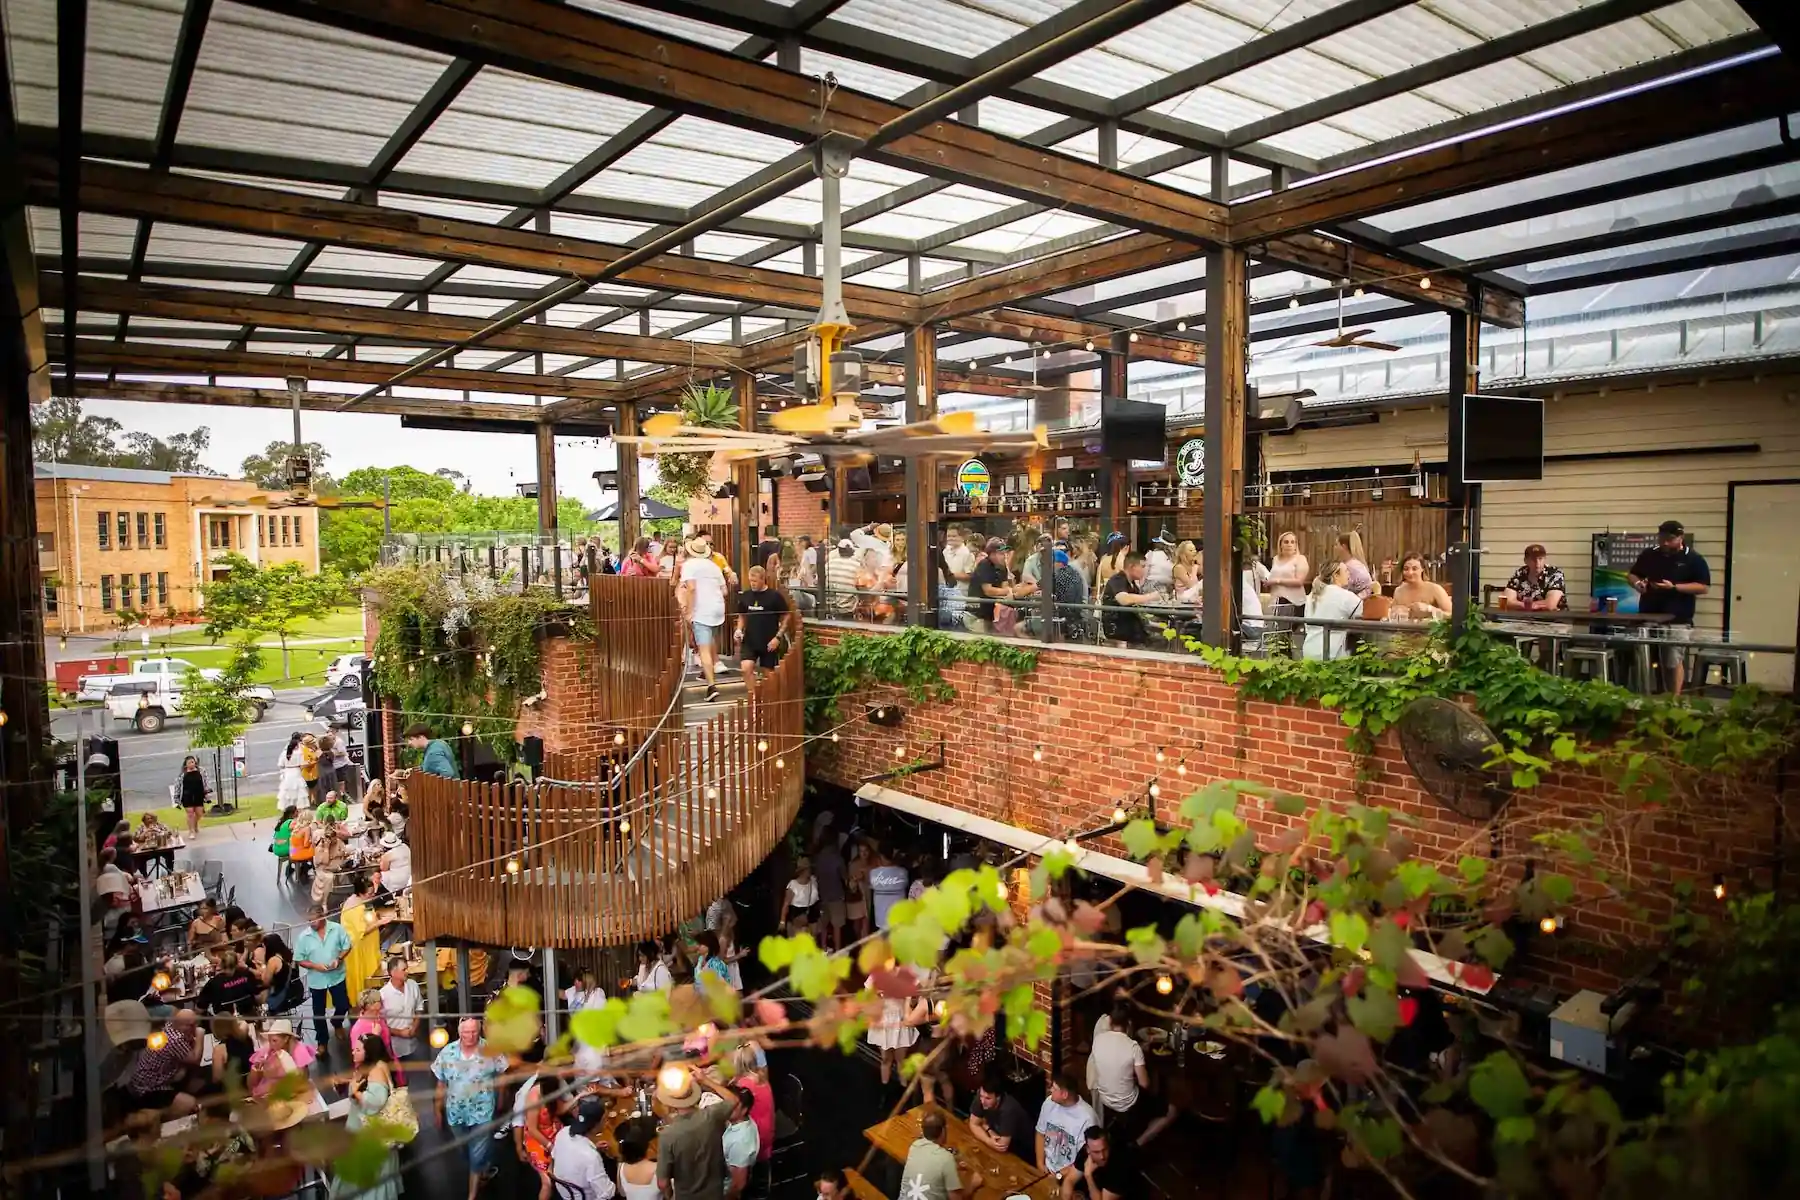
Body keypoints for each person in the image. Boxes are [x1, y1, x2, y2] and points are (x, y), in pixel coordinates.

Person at [1629, 519, 1712, 694]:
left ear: (1681, 537)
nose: (1665, 543)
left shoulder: (1693, 559)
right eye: (1662, 539)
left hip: (1678, 618)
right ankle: (1646, 695)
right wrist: (1638, 584)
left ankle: (1674, 699)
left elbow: (1703, 587)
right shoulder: (1649, 554)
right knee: (1645, 658)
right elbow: (1633, 574)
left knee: (1673, 660)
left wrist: (1674, 587)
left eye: (1670, 539)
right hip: (1649, 615)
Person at [434, 1016, 511, 1200]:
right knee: (465, 1150)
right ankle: (483, 1167)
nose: (470, 1036)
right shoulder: (447, 1052)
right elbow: (441, 1083)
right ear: (459, 1032)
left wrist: (501, 1098)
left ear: (480, 1031)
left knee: (476, 1154)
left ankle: (472, 1194)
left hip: (483, 1112)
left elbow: (503, 1075)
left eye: (474, 1032)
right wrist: (437, 1109)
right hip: (455, 1112)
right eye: (466, 1032)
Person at [1087, 1001, 1174, 1148]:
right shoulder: (1133, 1047)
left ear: (1110, 1021)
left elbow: (1112, 1058)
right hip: (1128, 1104)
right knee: (1171, 1109)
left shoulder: (1098, 1040)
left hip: (1105, 1099)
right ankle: (1138, 1143)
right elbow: (1144, 1083)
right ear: (1129, 1024)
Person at [332, 1032, 402, 1200]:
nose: (353, 1052)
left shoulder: (376, 1072)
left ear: (368, 1052)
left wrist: (356, 1092)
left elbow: (376, 1102)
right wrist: (348, 1083)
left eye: (357, 1050)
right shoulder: (372, 1066)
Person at [656, 1066, 734, 1200]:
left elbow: (663, 1183)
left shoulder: (668, 1135)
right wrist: (706, 1080)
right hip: (715, 1193)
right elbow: (733, 1100)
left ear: (671, 1103)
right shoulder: (712, 1116)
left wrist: (669, 1196)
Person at [678, 536, 730, 702]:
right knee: (709, 641)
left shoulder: (689, 566)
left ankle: (711, 686)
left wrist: (689, 611)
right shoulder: (713, 566)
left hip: (702, 610)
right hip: (717, 608)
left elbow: (691, 588)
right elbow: (725, 591)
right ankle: (705, 672)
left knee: (704, 650)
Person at [295, 902, 354, 1047]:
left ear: (323, 916)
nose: (311, 923)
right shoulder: (304, 937)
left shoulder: (337, 929)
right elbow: (299, 959)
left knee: (343, 1005)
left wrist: (339, 959)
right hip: (317, 980)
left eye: (314, 920)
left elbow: (347, 946)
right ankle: (322, 1042)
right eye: (309, 920)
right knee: (318, 1013)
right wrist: (315, 966)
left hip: (337, 976)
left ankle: (337, 1022)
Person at [125, 1009, 202, 1117]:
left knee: (191, 1075)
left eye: (195, 1024)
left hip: (155, 1078)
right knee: (191, 1104)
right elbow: (195, 1059)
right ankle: (160, 1115)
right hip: (148, 1088)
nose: (195, 1028)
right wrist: (200, 1036)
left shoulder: (171, 1026)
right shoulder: (175, 1039)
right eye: (191, 1025)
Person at [735, 565, 792, 690]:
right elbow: (742, 616)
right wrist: (739, 630)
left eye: (755, 581)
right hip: (750, 640)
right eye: (751, 581)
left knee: (769, 675)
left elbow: (786, 616)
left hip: (769, 641)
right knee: (746, 668)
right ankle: (754, 696)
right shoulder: (746, 595)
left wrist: (778, 637)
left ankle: (768, 698)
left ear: (763, 579)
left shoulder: (774, 596)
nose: (752, 584)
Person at [1037, 1074, 1098, 1192]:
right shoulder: (1049, 1103)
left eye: (1054, 1088)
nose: (1050, 1090)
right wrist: (1040, 1164)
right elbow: (1040, 1133)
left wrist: (1058, 1176)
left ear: (1064, 1094)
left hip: (1070, 1180)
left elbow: (1084, 1160)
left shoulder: (1088, 1119)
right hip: (1045, 1172)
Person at [550, 1094, 618, 1200]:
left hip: (564, 1193)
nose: (606, 1122)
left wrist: (594, 1147)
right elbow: (607, 1193)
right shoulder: (591, 1157)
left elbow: (558, 1156)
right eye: (604, 1120)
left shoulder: (563, 1132)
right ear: (595, 1125)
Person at [866, 963, 923, 1085]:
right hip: (883, 1020)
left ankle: (904, 1088)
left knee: (901, 1060)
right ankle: (884, 1086)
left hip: (900, 1020)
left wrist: (909, 997)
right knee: (885, 1059)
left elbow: (918, 991)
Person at [1303, 561, 1364, 661]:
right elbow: (1366, 616)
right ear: (1336, 575)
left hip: (1309, 651)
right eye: (1346, 571)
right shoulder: (1346, 596)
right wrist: (1377, 592)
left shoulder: (1311, 596)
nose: (1349, 573)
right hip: (1332, 654)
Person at [970, 1070, 1035, 1162]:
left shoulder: (1008, 1110)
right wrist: (988, 1136)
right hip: (1000, 1135)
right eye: (981, 1096)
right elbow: (973, 1124)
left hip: (1023, 1147)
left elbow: (1001, 1146)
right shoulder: (982, 1097)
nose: (982, 1101)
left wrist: (984, 1126)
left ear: (998, 1097)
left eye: (988, 1098)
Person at [901, 1108, 965, 1200]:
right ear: (943, 1131)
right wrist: (974, 1183)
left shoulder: (915, 1146)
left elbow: (929, 1164)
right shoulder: (946, 1158)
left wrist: (951, 1165)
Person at [350, 988, 405, 1083]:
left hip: (390, 1062)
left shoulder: (379, 1018)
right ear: (369, 1007)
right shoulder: (358, 1029)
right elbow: (359, 1057)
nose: (382, 1002)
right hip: (374, 1072)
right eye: (379, 1001)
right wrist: (375, 1036)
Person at [1074, 1125, 1142, 1200]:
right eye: (1096, 1152)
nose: (1102, 1156)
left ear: (1109, 1146)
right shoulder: (1085, 1153)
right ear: (1088, 1149)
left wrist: (1088, 1176)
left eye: (1104, 1150)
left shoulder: (1120, 1167)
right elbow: (1069, 1180)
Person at [1101, 553, 1155, 646]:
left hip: (1132, 630)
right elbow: (1123, 599)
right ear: (1131, 567)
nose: (1144, 570)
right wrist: (1150, 596)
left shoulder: (1133, 585)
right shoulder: (1118, 580)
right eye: (1142, 566)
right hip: (1119, 630)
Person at [967, 536, 1014, 634]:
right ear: (992, 554)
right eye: (1001, 553)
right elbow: (988, 590)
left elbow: (1004, 587)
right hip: (976, 614)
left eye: (1005, 553)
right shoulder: (984, 565)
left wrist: (1010, 590)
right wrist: (1010, 591)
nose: (1004, 556)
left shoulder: (1002, 567)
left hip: (990, 613)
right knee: (981, 640)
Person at [721, 1084, 761, 1200]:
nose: (727, 1108)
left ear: (744, 1110)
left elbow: (738, 1184)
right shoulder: (740, 1120)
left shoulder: (741, 1142)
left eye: (733, 1106)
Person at [1501, 543, 1567, 611]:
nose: (1537, 563)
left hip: (1552, 617)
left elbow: (1550, 605)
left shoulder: (1555, 573)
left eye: (1540, 559)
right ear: (1526, 561)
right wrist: (1528, 606)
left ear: (1545, 559)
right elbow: (1507, 601)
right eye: (1533, 559)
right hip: (1524, 616)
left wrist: (1520, 604)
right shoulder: (1520, 573)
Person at [380, 957, 423, 1058]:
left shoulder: (413, 985)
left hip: (414, 1045)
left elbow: (419, 1007)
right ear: (393, 972)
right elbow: (380, 1025)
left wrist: (414, 1027)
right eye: (404, 969)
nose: (407, 972)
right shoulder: (383, 995)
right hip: (394, 1050)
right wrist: (399, 1033)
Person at [1389, 552, 1452, 621]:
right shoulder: (1399, 591)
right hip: (1405, 627)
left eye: (1414, 569)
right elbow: (1392, 616)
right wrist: (1396, 611)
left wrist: (1430, 610)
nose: (1410, 572)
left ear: (1422, 569)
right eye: (1406, 569)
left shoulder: (1435, 589)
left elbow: (1452, 615)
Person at [197, 950, 260, 1016]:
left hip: (225, 1020)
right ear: (237, 963)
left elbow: (200, 1009)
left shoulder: (213, 983)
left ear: (221, 965)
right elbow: (258, 999)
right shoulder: (248, 975)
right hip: (250, 1017)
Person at [812, 834, 847, 951]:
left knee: (823, 925)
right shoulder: (837, 858)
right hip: (836, 896)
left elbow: (815, 876)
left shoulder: (817, 858)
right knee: (837, 926)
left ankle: (824, 949)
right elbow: (845, 876)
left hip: (822, 896)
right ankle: (837, 950)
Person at [1266, 531, 1309, 610]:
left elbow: (1299, 581)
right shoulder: (1275, 559)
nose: (1289, 544)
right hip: (1276, 601)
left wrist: (1277, 581)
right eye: (1286, 542)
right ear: (1280, 544)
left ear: (1296, 545)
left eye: (1292, 542)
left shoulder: (1300, 559)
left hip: (1294, 602)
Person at [868, 849, 909, 931]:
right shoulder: (903, 872)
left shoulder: (873, 873)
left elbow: (871, 886)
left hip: (881, 918)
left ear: (881, 856)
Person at [823, 537, 863, 618]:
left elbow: (818, 582)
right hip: (847, 609)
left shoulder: (829, 564)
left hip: (828, 607)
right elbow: (862, 586)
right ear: (852, 551)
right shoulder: (857, 566)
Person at [618, 1130, 661, 1200]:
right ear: (647, 1147)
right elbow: (669, 1194)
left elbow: (622, 1193)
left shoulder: (621, 1167)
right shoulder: (658, 1168)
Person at [781, 858, 819, 935]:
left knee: (812, 937)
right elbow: (786, 904)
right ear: (803, 871)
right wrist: (782, 921)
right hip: (797, 915)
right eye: (808, 869)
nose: (810, 871)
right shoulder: (793, 885)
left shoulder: (813, 880)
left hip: (812, 913)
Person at [176, 754, 210, 837]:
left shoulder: (201, 771)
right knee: (190, 813)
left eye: (192, 762)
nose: (191, 764)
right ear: (186, 765)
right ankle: (191, 831)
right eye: (189, 763)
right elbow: (178, 786)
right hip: (187, 796)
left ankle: (195, 824)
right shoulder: (182, 774)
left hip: (198, 795)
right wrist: (177, 798)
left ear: (195, 763)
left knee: (199, 813)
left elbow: (205, 782)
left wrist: (207, 793)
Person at [1335, 531, 1374, 599]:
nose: (1335, 547)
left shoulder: (1348, 567)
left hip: (1359, 602)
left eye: (1337, 544)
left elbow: (1340, 590)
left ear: (1343, 547)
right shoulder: (1358, 564)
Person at [277, 732, 309, 808]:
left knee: (287, 789)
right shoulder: (299, 753)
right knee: (298, 789)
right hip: (296, 771)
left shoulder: (284, 753)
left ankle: (288, 805)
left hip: (287, 772)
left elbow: (280, 765)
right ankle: (298, 806)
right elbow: (303, 764)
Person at [287, 809, 316, 881]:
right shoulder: (307, 828)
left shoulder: (296, 827)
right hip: (300, 854)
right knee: (316, 848)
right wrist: (312, 841)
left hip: (292, 853)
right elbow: (306, 844)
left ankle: (304, 869)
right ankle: (316, 871)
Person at [271, 805, 298, 883]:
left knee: (294, 846)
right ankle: (301, 868)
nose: (298, 812)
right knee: (300, 850)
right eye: (296, 811)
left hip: (276, 848)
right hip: (285, 849)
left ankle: (290, 867)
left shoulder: (281, 822)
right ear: (292, 813)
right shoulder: (291, 822)